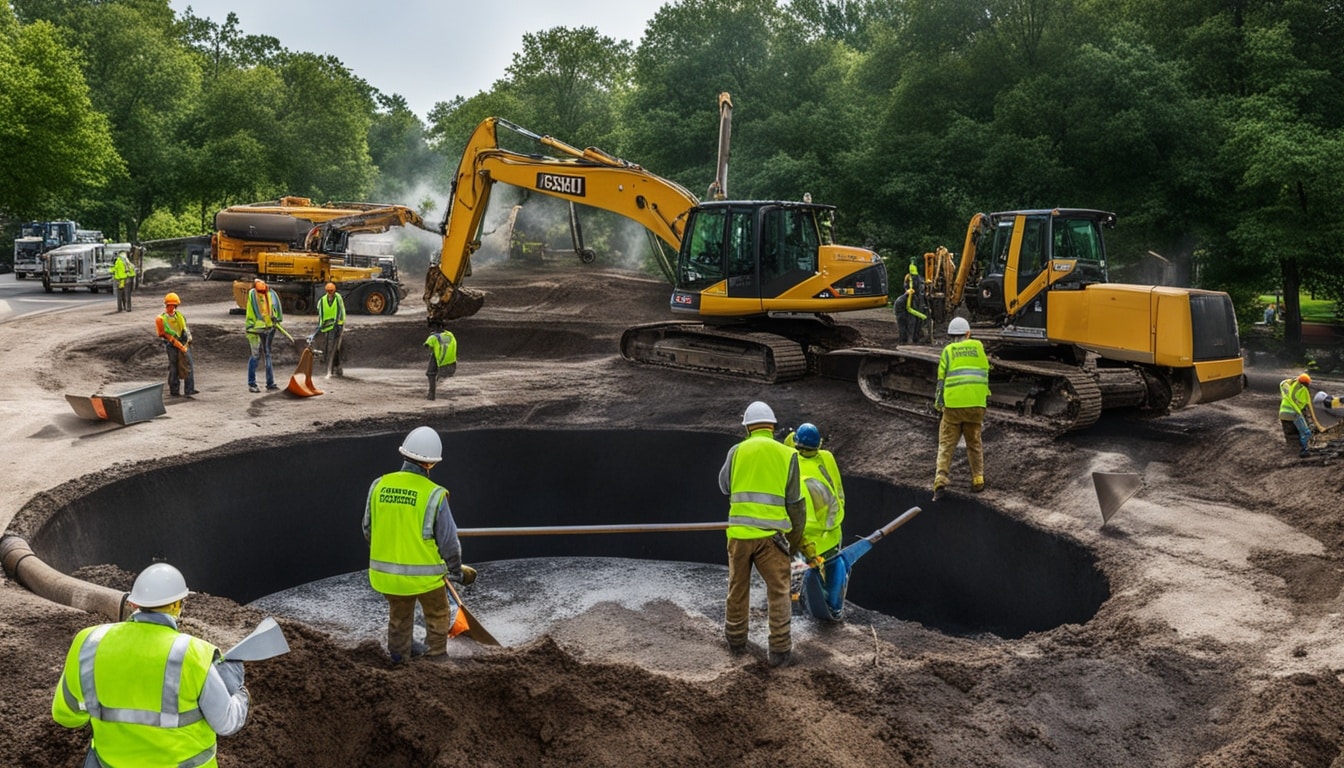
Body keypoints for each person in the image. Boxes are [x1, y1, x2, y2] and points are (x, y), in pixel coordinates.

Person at [52, 562, 250, 768]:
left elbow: (66, 716)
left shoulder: (89, 641)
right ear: (176, 606)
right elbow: (226, 723)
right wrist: (241, 694)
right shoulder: (194, 654)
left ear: (134, 604)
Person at [363, 426, 471, 663]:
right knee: (438, 612)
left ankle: (398, 659)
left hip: (386, 575)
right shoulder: (434, 494)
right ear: (431, 464)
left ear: (404, 454)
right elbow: (448, 543)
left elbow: (368, 529)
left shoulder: (379, 484)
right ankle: (436, 658)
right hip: (425, 577)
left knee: (399, 616)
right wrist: (456, 570)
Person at [718, 401, 806, 668]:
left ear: (747, 427)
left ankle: (735, 641)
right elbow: (795, 503)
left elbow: (724, 487)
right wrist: (794, 541)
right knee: (779, 592)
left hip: (740, 535)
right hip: (772, 538)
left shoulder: (737, 451)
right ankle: (779, 651)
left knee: (737, 588)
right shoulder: (787, 454)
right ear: (773, 427)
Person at [934, 316, 990, 500]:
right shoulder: (979, 347)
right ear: (968, 333)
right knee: (974, 442)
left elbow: (941, 382)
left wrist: (938, 404)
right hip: (976, 405)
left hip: (953, 406)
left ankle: (940, 480)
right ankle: (978, 479)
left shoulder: (948, 351)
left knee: (946, 443)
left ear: (951, 335)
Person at [155, 292, 197, 397]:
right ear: (167, 305)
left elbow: (185, 328)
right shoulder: (161, 319)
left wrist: (188, 338)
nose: (172, 307)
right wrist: (179, 346)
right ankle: (174, 390)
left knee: (188, 365)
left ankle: (189, 389)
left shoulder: (179, 316)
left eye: (174, 305)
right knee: (174, 367)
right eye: (170, 305)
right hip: (171, 344)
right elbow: (165, 335)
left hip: (182, 342)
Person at [245, 278, 282, 393]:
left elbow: (274, 309)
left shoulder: (270, 294)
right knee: (255, 356)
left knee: (267, 355)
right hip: (254, 330)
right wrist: (252, 328)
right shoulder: (253, 295)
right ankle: (252, 384)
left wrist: (275, 320)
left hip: (268, 328)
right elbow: (252, 314)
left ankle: (270, 383)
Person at [1280, 373, 1325, 458]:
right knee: (1306, 432)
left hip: (1282, 413)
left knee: (1291, 434)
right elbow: (1310, 409)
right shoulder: (1303, 391)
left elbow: (1282, 382)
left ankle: (1292, 451)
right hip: (1294, 413)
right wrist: (1319, 426)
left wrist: (1293, 379)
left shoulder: (1288, 388)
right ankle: (1304, 451)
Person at [312, 282, 345, 377]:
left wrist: (339, 324)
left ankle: (334, 368)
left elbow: (340, 311)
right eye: (329, 291)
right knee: (327, 347)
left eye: (332, 291)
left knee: (334, 347)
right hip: (326, 326)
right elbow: (321, 314)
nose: (330, 293)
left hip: (336, 325)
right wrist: (320, 326)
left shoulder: (338, 298)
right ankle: (332, 366)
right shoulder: (322, 301)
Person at [894, 263, 929, 344]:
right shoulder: (912, 284)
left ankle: (912, 338)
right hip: (902, 306)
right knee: (906, 322)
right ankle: (904, 340)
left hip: (907, 303)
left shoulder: (915, 281)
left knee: (914, 320)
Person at [424, 327, 458, 401]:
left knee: (430, 373)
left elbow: (429, 347)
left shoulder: (433, 337)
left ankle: (431, 394)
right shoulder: (449, 335)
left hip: (439, 358)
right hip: (449, 360)